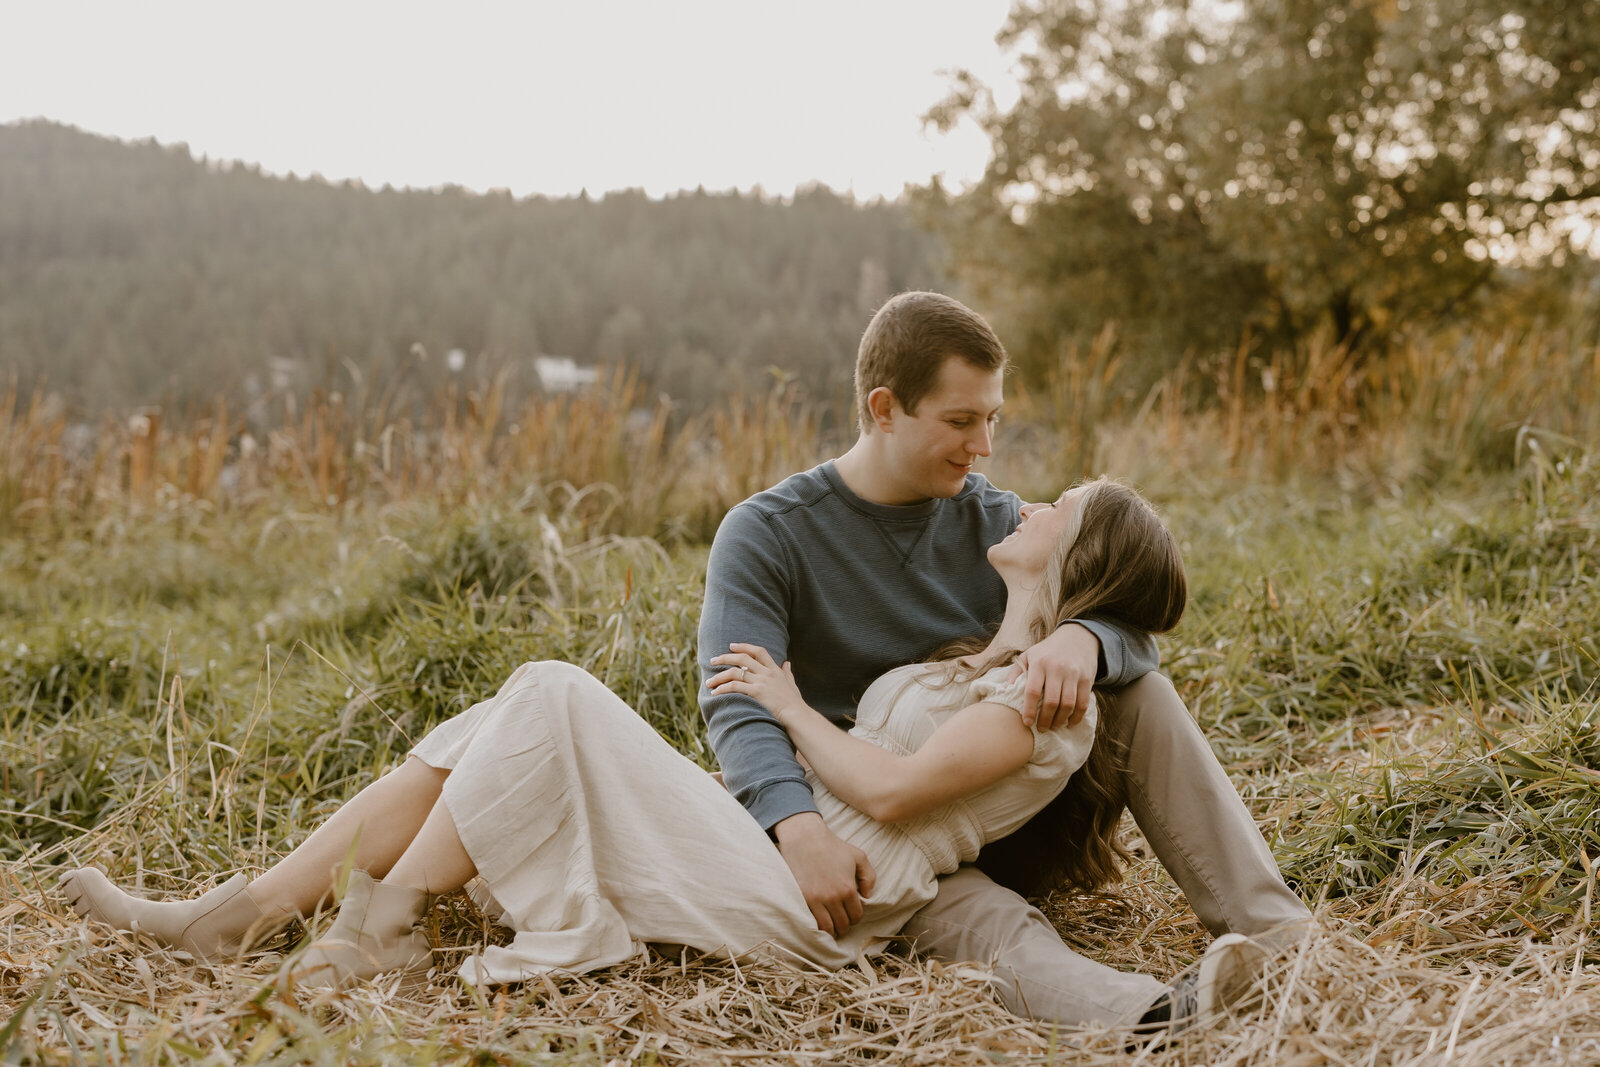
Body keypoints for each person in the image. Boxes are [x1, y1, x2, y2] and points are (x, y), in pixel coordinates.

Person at [60, 482, 1273, 1018]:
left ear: (1073, 568)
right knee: (500, 721)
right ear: (887, 407)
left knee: (549, 687)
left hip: (831, 898)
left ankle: (371, 932)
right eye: (973, 422)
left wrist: (794, 711)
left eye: (1061, 507)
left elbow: (898, 784)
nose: (1023, 488)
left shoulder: (1047, 694)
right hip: (787, 844)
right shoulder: (858, 569)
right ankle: (259, 909)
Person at [697, 290, 1310, 1032]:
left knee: (1143, 691)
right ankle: (1150, 1018)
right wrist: (798, 830)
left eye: (992, 419)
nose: (983, 446)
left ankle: (1285, 945)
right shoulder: (767, 533)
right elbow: (736, 693)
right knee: (979, 918)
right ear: (884, 407)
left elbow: (1125, 600)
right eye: (960, 421)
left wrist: (1084, 638)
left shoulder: (993, 518)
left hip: (1000, 804)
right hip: (865, 841)